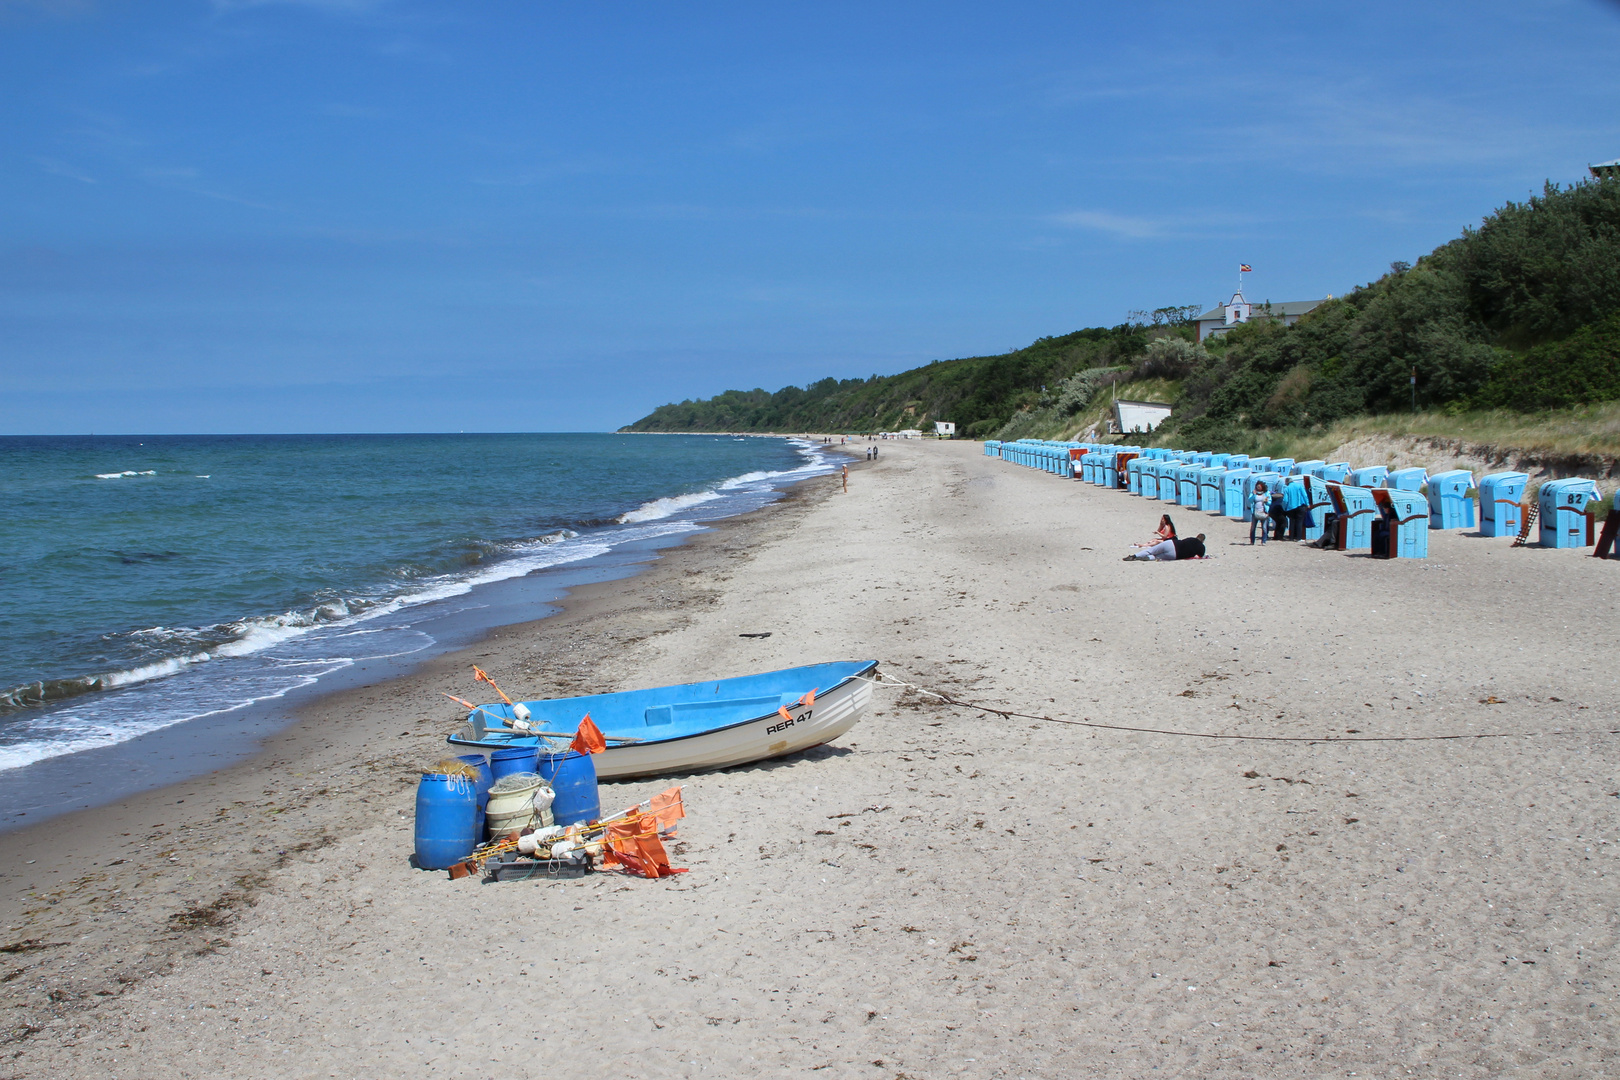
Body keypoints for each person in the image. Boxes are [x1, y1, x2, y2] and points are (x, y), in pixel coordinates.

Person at [1124, 533, 1206, 561]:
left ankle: (1134, 556)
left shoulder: (1191, 539)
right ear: (1203, 541)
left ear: (1197, 537)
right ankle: (1148, 558)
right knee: (1157, 557)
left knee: (1151, 550)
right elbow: (1198, 557)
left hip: (1171, 544)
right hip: (1175, 555)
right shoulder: (1202, 548)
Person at [1279, 476, 1308, 540]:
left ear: (1287, 482)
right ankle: (1298, 537)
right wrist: (1307, 504)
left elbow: (1285, 500)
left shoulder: (1287, 488)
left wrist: (1284, 508)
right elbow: (1305, 495)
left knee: (1292, 522)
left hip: (1290, 507)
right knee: (1299, 522)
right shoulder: (1299, 486)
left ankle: (1291, 537)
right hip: (1300, 505)